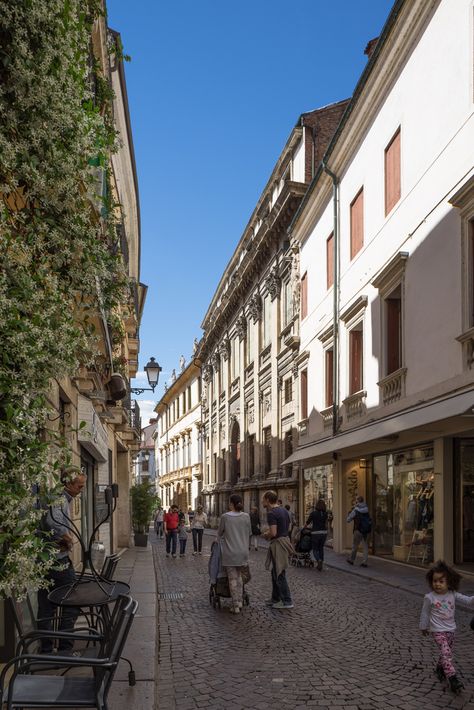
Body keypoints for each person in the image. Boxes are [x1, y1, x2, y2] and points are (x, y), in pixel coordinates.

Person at [37, 467, 87, 653]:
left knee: (46, 607)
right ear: (68, 483)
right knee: (71, 603)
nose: (81, 490)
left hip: (46, 560)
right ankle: (65, 648)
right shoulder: (58, 497)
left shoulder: (58, 497)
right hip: (57, 561)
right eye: (79, 486)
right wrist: (67, 537)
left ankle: (46, 650)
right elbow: (53, 522)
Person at [419, 560, 474, 694]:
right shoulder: (429, 597)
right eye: (435, 581)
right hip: (437, 631)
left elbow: (467, 600)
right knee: (446, 652)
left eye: (441, 581)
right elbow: (425, 613)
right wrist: (423, 626)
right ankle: (452, 678)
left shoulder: (452, 594)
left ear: (448, 582)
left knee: (445, 652)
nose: (437, 584)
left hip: (451, 629)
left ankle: (440, 668)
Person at [216, 494, 251, 614]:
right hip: (243, 552)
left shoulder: (225, 517)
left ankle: (235, 605)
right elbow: (249, 533)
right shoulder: (246, 516)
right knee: (240, 576)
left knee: (232, 578)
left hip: (230, 552)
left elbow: (220, 532)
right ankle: (240, 601)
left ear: (231, 504)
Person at [262, 490, 294, 610]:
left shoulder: (272, 513)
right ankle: (275, 598)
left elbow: (273, 532)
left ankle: (287, 600)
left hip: (278, 544)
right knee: (275, 572)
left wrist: (266, 534)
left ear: (268, 500)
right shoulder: (284, 511)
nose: (262, 501)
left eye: (263, 499)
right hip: (285, 541)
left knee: (279, 573)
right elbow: (288, 526)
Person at [346, 496, 371, 567]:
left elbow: (348, 520)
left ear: (357, 502)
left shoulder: (355, 510)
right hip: (366, 530)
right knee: (365, 546)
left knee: (355, 546)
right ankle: (365, 562)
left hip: (358, 530)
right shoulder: (367, 509)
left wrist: (350, 514)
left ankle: (351, 560)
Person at [306, 499, 330, 571]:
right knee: (321, 548)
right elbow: (326, 523)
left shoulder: (313, 513)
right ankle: (321, 562)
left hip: (315, 533)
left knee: (315, 549)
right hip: (324, 533)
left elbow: (308, 522)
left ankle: (318, 560)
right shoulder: (325, 514)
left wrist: (304, 527)